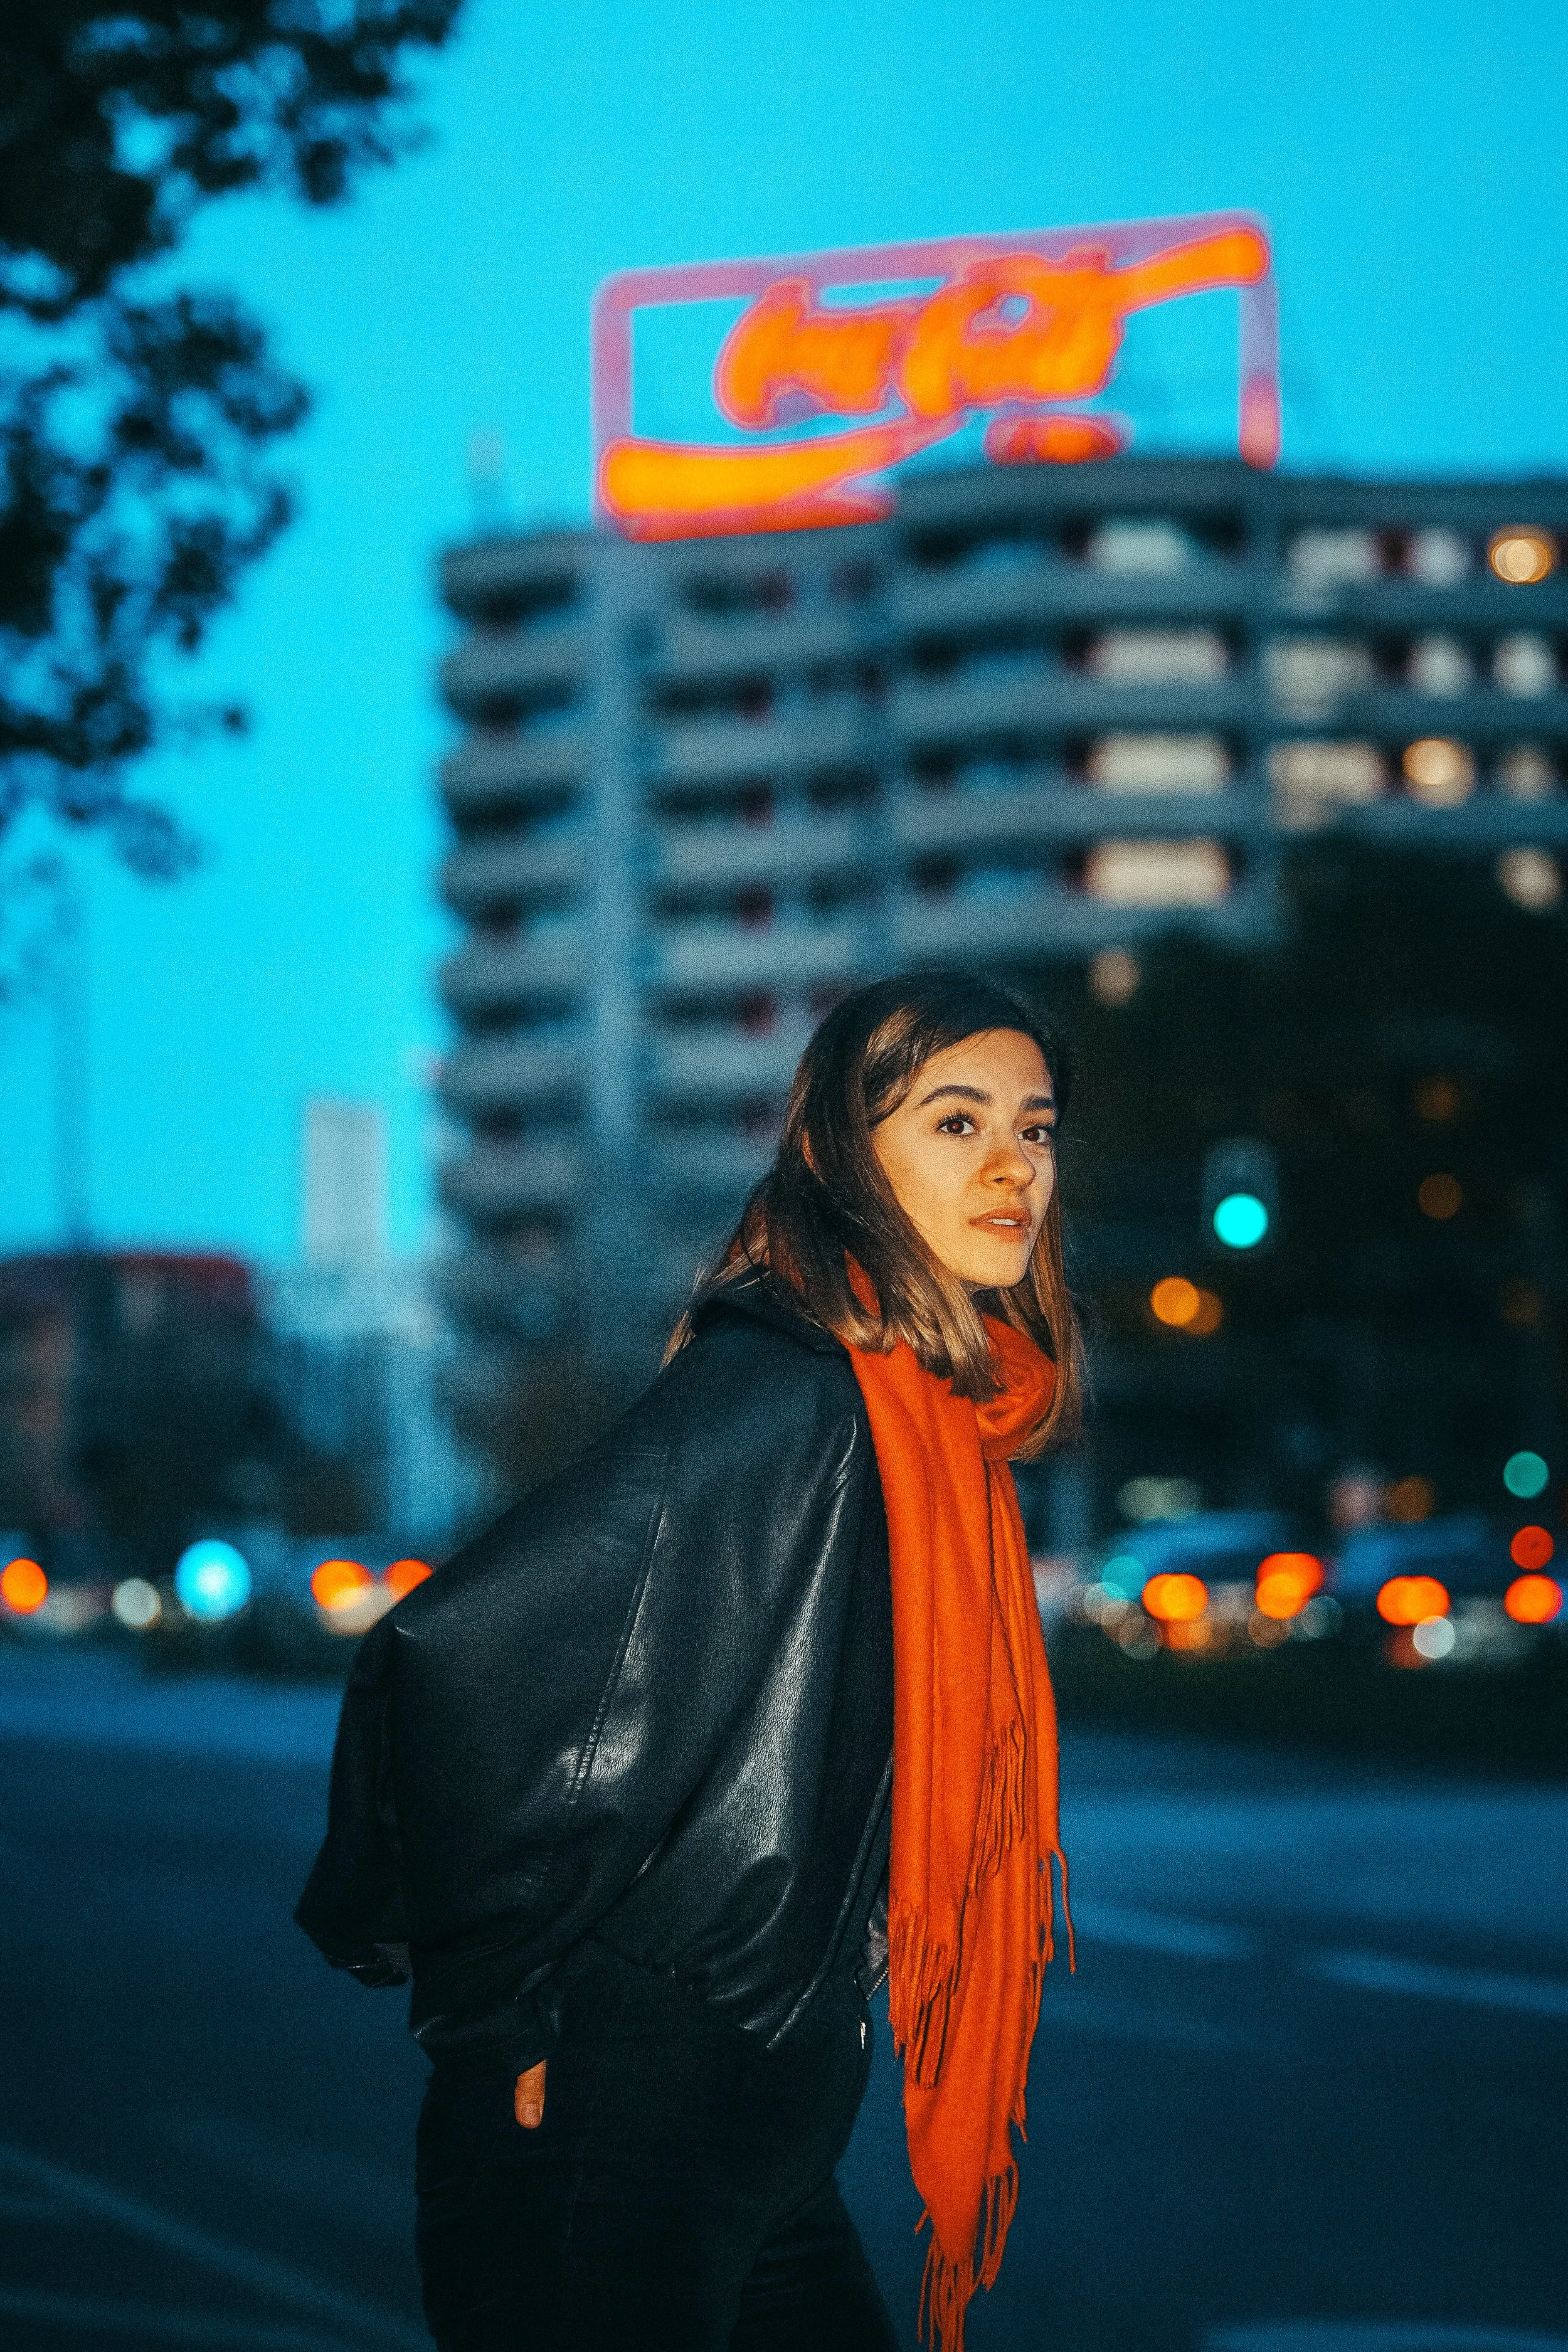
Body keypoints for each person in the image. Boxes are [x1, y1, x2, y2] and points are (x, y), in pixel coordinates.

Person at [296, 970, 1083, 2352]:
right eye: (955, 1124)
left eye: (1034, 1125)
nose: (1012, 1162)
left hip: (757, 2110)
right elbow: (457, 1655)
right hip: (623, 2105)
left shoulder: (924, 1423)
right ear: (847, 1160)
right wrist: (492, 2013)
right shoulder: (793, 1393)